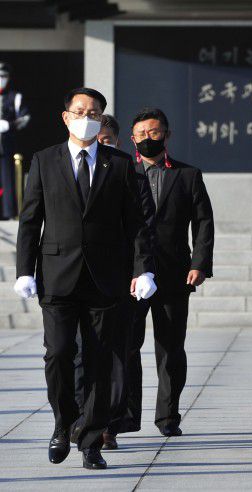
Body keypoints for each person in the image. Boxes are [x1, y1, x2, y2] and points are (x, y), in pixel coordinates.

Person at [13, 87, 156, 470]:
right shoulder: (45, 160)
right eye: (80, 112)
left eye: (94, 113)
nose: (86, 119)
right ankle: (64, 423)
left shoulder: (120, 164)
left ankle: (91, 440)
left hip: (105, 278)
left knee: (99, 360)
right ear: (66, 117)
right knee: (58, 353)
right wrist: (24, 270)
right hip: (57, 276)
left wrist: (143, 268)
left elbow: (136, 223)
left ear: (102, 118)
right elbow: (30, 220)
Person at [122, 107, 215, 438]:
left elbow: (203, 222)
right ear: (132, 139)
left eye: (154, 132)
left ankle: (168, 416)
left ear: (167, 134)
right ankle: (125, 416)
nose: (148, 138)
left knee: (171, 348)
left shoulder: (188, 175)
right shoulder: (123, 174)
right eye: (141, 134)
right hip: (131, 275)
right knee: (126, 346)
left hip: (175, 272)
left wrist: (199, 263)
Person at [73, 112, 157, 450]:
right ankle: (82, 417)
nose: (100, 145)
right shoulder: (72, 170)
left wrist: (141, 270)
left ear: (117, 143)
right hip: (80, 276)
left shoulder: (130, 173)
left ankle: (109, 423)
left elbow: (143, 226)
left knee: (118, 353)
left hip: (120, 278)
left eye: (106, 140)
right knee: (80, 352)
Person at [0, 62, 30, 219]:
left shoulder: (15, 97)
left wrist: (9, 125)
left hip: (7, 146)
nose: (1, 79)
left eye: (3, 76)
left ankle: (9, 213)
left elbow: (25, 118)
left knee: (8, 179)